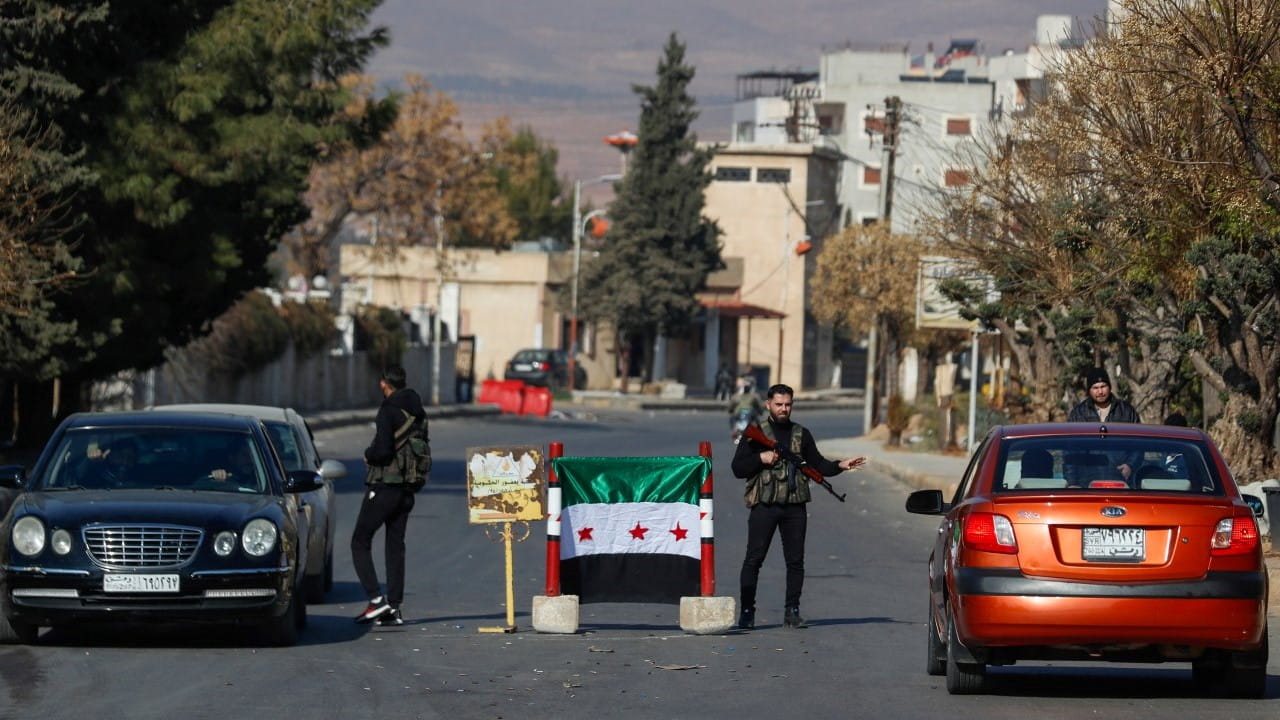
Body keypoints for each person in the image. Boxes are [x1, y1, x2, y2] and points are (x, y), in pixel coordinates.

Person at [732, 383, 866, 630]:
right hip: (765, 505)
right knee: (754, 559)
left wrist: (841, 465)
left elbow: (818, 465)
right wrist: (760, 458)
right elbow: (738, 468)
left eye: (788, 404)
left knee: (795, 561)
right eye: (779, 404)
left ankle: (792, 611)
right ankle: (747, 611)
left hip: (794, 507)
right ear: (768, 405)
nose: (784, 409)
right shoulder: (756, 433)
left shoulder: (800, 434)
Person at [352, 365, 427, 627]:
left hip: (385, 486)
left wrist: (368, 454)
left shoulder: (388, 410)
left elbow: (383, 450)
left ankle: (376, 600)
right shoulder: (418, 410)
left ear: (385, 384)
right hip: (408, 489)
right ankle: (394, 608)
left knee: (359, 542)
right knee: (395, 546)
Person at [1066, 367, 1142, 485]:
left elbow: (1139, 444)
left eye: (1103, 386)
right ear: (1089, 390)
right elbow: (1069, 450)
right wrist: (1071, 483)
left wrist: (1130, 466)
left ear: (1110, 387)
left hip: (1120, 480)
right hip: (1086, 481)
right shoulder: (1078, 413)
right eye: (1095, 388)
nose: (1100, 392)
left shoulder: (1126, 411)